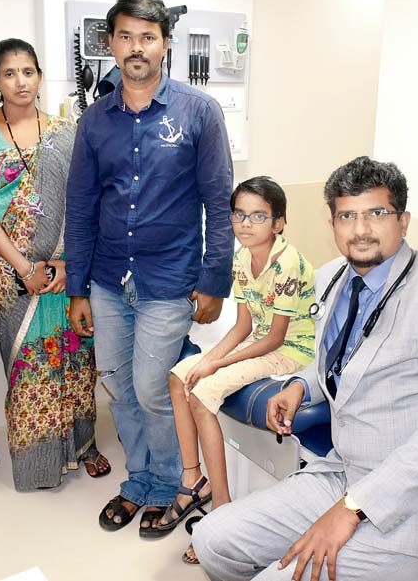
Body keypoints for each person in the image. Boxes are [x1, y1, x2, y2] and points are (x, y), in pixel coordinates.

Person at [193, 156, 418, 581]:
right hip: (341, 472)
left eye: (377, 213)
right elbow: (343, 360)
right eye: (347, 215)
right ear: (332, 223)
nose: (361, 229)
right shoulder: (332, 277)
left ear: (403, 221)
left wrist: (352, 508)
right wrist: (300, 385)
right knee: (212, 539)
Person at [64, 0, 233, 536]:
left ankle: (171, 485)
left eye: (148, 37)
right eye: (126, 37)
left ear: (165, 43)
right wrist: (78, 289)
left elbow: (218, 200)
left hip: (169, 279)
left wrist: (214, 281)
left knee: (152, 386)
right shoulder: (94, 122)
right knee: (117, 380)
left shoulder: (198, 112)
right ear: (109, 43)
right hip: (110, 278)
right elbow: (82, 206)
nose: (136, 48)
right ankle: (139, 479)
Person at [0, 38, 110, 491]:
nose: (20, 81)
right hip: (11, 272)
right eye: (9, 74)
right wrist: (24, 267)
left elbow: (84, 202)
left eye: (28, 71)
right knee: (26, 362)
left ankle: (84, 445)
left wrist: (68, 265)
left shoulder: (66, 131)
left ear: (40, 77)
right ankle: (38, 461)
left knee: (77, 356)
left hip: (64, 268)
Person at [157, 177, 315, 564]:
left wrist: (217, 363)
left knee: (203, 393)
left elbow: (276, 338)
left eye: (258, 216)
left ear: (278, 223)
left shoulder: (288, 263)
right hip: (257, 341)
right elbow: (244, 327)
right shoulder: (242, 259)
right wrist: (211, 358)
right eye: (239, 214)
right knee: (179, 378)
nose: (245, 223)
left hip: (291, 352)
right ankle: (193, 478)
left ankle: (222, 511)